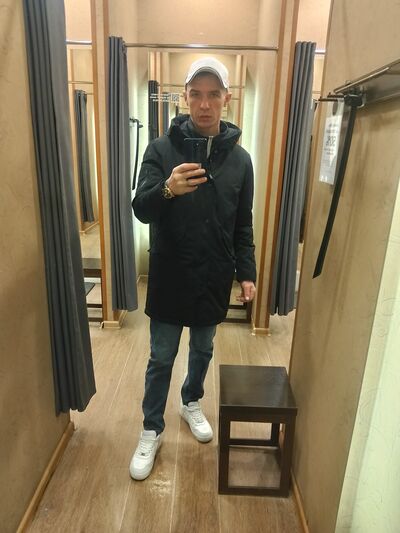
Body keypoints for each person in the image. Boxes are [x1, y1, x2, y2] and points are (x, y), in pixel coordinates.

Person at [130, 57, 256, 480]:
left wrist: (247, 272)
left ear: (226, 98)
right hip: (171, 274)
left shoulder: (240, 161)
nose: (205, 104)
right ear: (184, 98)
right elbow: (141, 208)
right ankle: (151, 428)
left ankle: (190, 402)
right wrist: (167, 189)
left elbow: (243, 224)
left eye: (213, 95)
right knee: (161, 356)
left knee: (203, 349)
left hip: (213, 275)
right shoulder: (160, 150)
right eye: (196, 94)